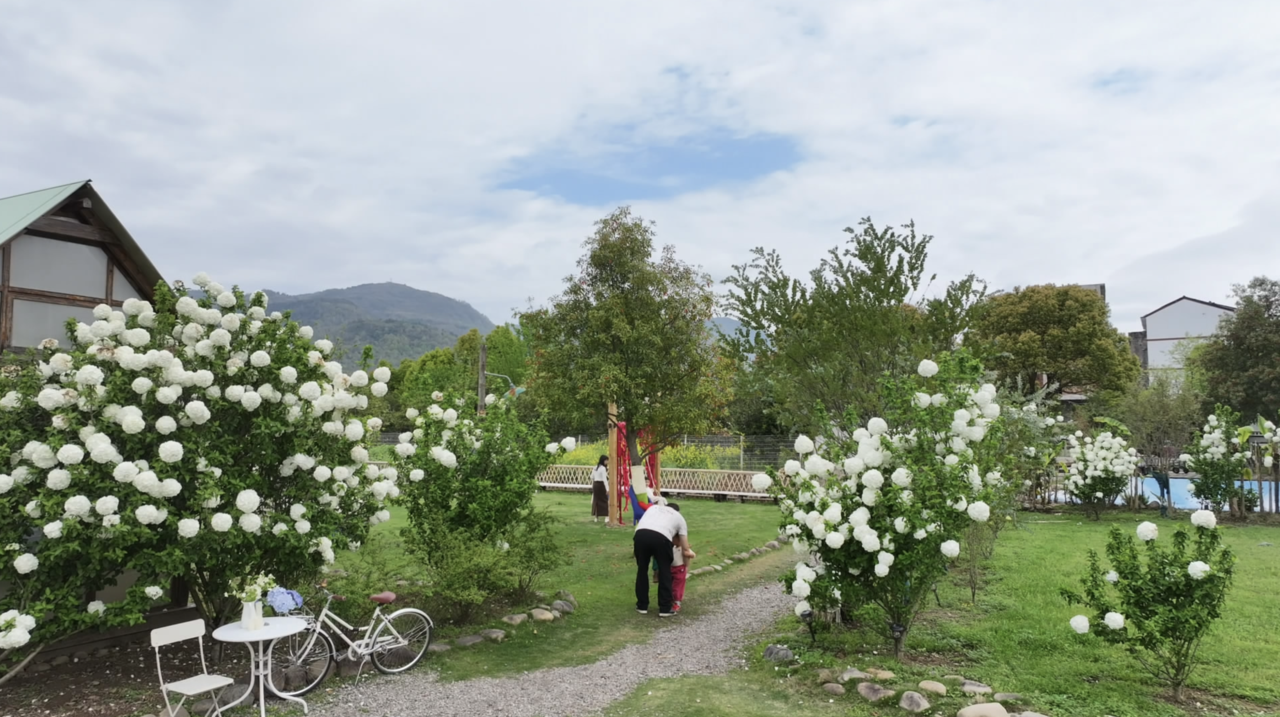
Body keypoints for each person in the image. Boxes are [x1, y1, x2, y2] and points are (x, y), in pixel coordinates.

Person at [633, 497, 694, 617]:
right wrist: (688, 557)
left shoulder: (653, 508)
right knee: (665, 570)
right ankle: (665, 608)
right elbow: (685, 546)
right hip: (661, 538)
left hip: (640, 535)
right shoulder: (679, 517)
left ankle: (642, 606)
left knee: (642, 570)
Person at [590, 455, 609, 523]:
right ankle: (606, 516)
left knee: (596, 500)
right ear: (603, 460)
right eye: (606, 460)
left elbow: (591, 477)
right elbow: (604, 479)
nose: (607, 462)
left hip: (595, 485)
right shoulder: (603, 468)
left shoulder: (595, 467)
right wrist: (607, 489)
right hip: (601, 485)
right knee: (604, 500)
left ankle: (596, 517)